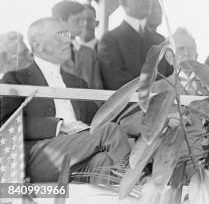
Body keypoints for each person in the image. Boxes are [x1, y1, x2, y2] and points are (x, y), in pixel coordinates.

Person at [0, 18, 131, 183]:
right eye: (59, 35)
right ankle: (136, 184)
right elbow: (6, 124)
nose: (68, 40)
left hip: (77, 151)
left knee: (103, 161)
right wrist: (56, 126)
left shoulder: (78, 83)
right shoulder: (15, 79)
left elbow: (101, 117)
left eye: (67, 34)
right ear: (38, 46)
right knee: (109, 132)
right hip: (40, 156)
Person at [98, 0, 172, 90]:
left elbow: (170, 77)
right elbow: (116, 82)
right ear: (125, 3)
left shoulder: (160, 40)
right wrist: (157, 88)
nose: (146, 0)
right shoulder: (110, 40)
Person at [51, 0, 102, 89]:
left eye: (83, 19)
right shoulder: (48, 52)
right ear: (61, 20)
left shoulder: (90, 54)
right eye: (77, 20)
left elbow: (97, 89)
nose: (84, 24)